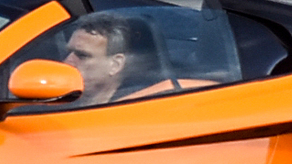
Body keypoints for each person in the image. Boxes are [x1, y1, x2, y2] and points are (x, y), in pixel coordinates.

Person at [58, 11, 220, 105]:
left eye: (82, 55)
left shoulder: (142, 106)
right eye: (69, 53)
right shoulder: (58, 105)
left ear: (115, 64)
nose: (67, 62)